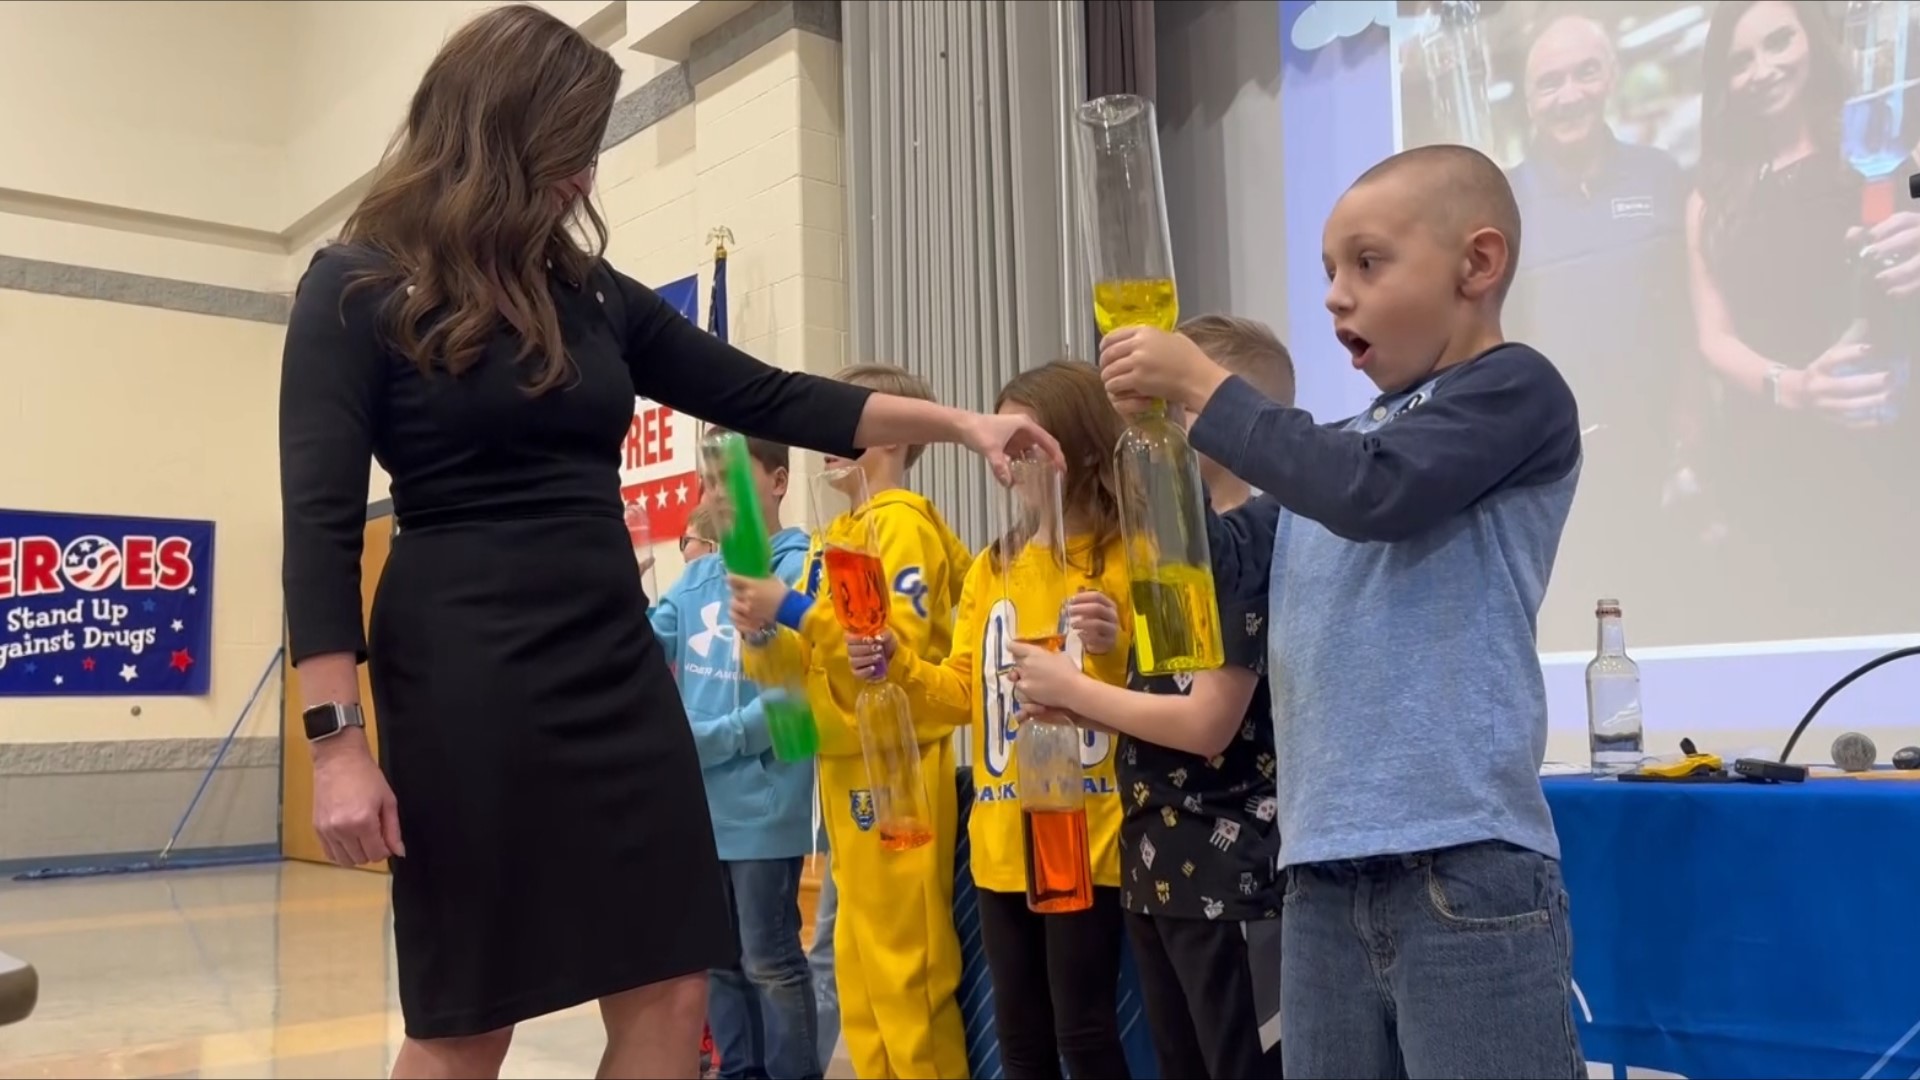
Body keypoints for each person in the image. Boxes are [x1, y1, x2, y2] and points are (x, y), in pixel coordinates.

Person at [276, 7, 1061, 1078]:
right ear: (504, 133)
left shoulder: (588, 295)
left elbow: (773, 394)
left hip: (611, 662)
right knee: (471, 1012)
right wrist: (338, 747)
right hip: (469, 676)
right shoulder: (355, 284)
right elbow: (318, 530)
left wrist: (962, 424)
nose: (588, 177)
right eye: (573, 147)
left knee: (671, 975)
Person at [1098, 144, 1586, 1079]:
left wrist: (1202, 387)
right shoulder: (1337, 443)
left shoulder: (1515, 390)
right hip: (1319, 873)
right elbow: (1228, 573)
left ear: (1477, 266)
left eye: (1367, 262)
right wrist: (1159, 447)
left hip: (1462, 862)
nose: (1334, 294)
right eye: (1327, 270)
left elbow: (1375, 493)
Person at [1010, 318, 1292, 1080]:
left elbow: (1208, 722)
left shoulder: (1257, 535)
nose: (1151, 421)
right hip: (1158, 858)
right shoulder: (1179, 542)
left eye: (1174, 400)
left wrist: (1078, 693)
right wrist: (1094, 675)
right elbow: (1164, 691)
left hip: (1225, 871)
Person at [850, 360, 1135, 1080]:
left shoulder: (1127, 558)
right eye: (1002, 442)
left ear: (1074, 443)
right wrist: (899, 664)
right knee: (1021, 1040)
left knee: (1086, 1031)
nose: (1005, 461)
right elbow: (963, 693)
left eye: (1024, 441)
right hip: (1001, 837)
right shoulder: (990, 566)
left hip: (1088, 830)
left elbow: (1161, 691)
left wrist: (1110, 645)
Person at [728, 364, 974, 1080]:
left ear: (891, 436)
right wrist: (761, 635)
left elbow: (880, 652)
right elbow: (799, 677)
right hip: (842, 767)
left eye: (846, 423)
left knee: (909, 976)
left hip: (896, 766)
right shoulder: (841, 533)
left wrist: (794, 611)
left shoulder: (900, 526)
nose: (825, 439)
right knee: (861, 983)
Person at [1685, 0, 1920, 642]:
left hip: (1889, 444)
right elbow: (1714, 335)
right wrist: (1796, 386)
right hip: (1773, 460)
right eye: (1740, 60)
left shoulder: (1888, 149)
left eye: (1779, 42)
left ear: (1811, 41)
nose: (1763, 68)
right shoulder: (1712, 192)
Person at [1501, 13, 1694, 645]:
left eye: (1585, 73)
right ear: (1528, 101)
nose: (1569, 95)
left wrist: (1690, 445)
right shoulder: (1504, 200)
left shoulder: (1661, 175)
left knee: (1673, 608)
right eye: (1549, 83)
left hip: (1659, 456)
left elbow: (1690, 320)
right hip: (1550, 467)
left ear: (1610, 76)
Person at [652, 434, 820, 1080]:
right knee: (719, 963)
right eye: (709, 480)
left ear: (777, 481)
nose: (715, 493)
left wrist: (706, 741)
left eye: (732, 478)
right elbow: (641, 642)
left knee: (768, 960)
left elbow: (798, 705)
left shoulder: (800, 568)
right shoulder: (695, 577)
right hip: (703, 813)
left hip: (763, 808)